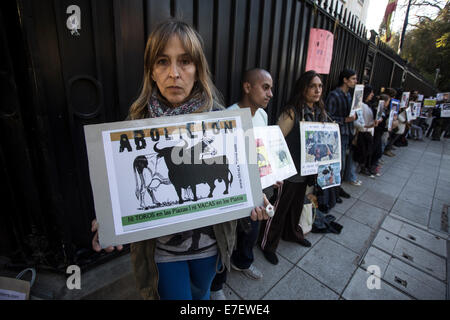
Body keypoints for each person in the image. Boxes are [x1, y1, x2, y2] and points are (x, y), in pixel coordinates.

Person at [90, 20, 271, 300]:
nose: (174, 73)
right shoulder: (133, 125)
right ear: (151, 70)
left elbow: (245, 179)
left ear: (198, 69)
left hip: (211, 247)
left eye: (185, 62)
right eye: (163, 61)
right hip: (163, 253)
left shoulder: (225, 121)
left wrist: (256, 198)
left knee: (201, 296)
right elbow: (124, 186)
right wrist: (108, 218)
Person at [210, 68, 280, 300]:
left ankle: (243, 262)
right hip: (233, 186)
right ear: (247, 87)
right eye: (265, 87)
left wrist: (273, 173)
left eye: (271, 88)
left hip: (259, 187)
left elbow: (262, 150)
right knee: (225, 238)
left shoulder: (261, 115)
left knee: (252, 229)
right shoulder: (227, 117)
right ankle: (216, 285)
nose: (270, 93)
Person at [259, 70, 328, 265]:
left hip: (306, 171)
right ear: (303, 88)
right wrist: (274, 171)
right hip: (287, 172)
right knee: (278, 210)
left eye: (320, 86)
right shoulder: (292, 111)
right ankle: (268, 244)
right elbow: (275, 140)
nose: (317, 90)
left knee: (296, 207)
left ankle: (291, 234)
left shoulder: (319, 111)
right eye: (312, 86)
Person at [325, 69, 359, 198]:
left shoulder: (349, 95)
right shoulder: (334, 95)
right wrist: (345, 120)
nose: (355, 81)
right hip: (336, 135)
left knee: (341, 165)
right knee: (336, 164)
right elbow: (328, 117)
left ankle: (336, 191)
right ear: (345, 80)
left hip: (347, 133)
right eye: (353, 79)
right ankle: (331, 193)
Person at [354, 85, 378, 178]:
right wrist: (368, 126)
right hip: (362, 133)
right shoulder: (362, 105)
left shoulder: (367, 105)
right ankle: (352, 176)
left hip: (365, 131)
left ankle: (353, 175)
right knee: (357, 155)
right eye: (371, 92)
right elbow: (359, 122)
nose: (372, 95)